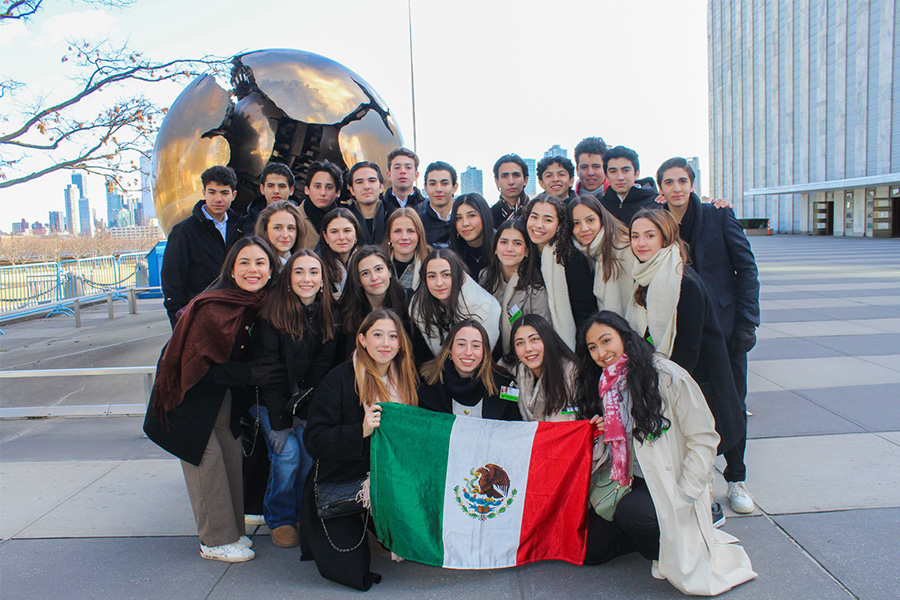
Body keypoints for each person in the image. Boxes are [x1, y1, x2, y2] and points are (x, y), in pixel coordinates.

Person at [575, 311, 756, 595]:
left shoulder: (666, 376)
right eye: (592, 347)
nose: (601, 352)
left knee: (634, 514)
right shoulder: (605, 383)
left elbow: (704, 437)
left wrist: (687, 491)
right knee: (591, 553)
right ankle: (651, 533)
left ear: (625, 336)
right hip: (625, 478)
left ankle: (664, 545)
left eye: (606, 340)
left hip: (669, 480)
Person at [144, 236, 283, 563]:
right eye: (244, 263)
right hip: (187, 396)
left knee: (229, 452)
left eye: (260, 263)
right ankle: (215, 540)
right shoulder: (214, 306)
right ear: (231, 270)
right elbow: (199, 366)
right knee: (205, 460)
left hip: (218, 397)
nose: (253, 269)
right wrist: (250, 374)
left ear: (271, 269)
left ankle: (232, 531)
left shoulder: (252, 302)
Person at [626, 208, 748, 525]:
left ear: (666, 237)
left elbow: (688, 348)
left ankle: (705, 509)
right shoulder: (646, 274)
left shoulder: (684, 281)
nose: (641, 243)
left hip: (696, 382)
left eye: (649, 235)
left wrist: (658, 389)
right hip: (670, 377)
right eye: (635, 236)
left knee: (693, 449)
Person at [657, 157, 760, 514]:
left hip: (726, 328)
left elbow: (746, 268)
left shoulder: (718, 215)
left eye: (682, 181)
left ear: (692, 183)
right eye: (669, 182)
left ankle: (737, 478)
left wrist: (748, 322)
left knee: (733, 402)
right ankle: (701, 479)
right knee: (690, 407)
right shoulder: (658, 222)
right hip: (681, 332)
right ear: (660, 189)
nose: (676, 188)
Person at [302, 309, 418, 591]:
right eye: (377, 335)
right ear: (362, 339)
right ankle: (367, 527)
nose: (385, 343)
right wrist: (360, 430)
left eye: (393, 336)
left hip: (388, 477)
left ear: (401, 344)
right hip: (343, 479)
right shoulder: (339, 379)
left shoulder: (406, 379)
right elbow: (314, 440)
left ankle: (380, 528)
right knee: (350, 571)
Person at [251, 249, 338, 548]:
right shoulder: (272, 317)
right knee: (287, 454)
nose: (307, 279)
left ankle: (301, 512)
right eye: (299, 272)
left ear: (323, 280)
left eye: (314, 272)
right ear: (288, 280)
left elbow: (320, 372)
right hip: (270, 402)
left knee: (307, 452)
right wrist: (280, 421)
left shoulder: (328, 316)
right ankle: (279, 516)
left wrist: (306, 413)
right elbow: (270, 376)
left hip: (305, 401)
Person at [161, 165, 242, 328]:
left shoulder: (242, 227)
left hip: (237, 315)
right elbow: (172, 282)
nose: (218, 199)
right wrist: (179, 322)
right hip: (199, 319)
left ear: (233, 195)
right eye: (212, 192)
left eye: (224, 193)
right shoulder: (183, 232)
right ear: (204, 193)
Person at [522, 194, 597, 348]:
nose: (538, 225)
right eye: (534, 217)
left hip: (572, 346)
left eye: (548, 220)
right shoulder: (526, 254)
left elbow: (585, 314)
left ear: (559, 226)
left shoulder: (572, 260)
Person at [409, 248, 501, 361]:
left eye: (446, 275)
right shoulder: (419, 308)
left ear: (458, 276)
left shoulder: (484, 306)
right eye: (432, 276)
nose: (439, 283)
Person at [418, 319, 521, 421]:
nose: (468, 352)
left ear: (484, 352)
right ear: (449, 348)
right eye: (461, 344)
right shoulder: (427, 382)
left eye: (476, 346)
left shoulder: (503, 383)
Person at [478, 219, 550, 357]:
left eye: (517, 243)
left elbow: (543, 336)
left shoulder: (536, 288)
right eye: (504, 242)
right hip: (487, 354)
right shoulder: (485, 277)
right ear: (495, 247)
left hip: (523, 357)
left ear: (527, 250)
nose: (509, 249)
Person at [339, 246, 411, 359]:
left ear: (390, 271)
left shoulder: (408, 302)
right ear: (358, 281)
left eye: (379, 269)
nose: (374, 277)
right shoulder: (345, 311)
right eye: (365, 273)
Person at [569, 195, 635, 316]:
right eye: (576, 223)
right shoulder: (578, 253)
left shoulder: (624, 247)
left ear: (601, 219)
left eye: (590, 220)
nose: (584, 228)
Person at [507, 314, 577, 421]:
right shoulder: (514, 374)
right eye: (520, 343)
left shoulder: (571, 372)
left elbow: (582, 414)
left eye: (534, 339)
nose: (528, 348)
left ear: (547, 340)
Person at [599, 146, 660, 224]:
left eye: (625, 170)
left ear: (636, 173)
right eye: (613, 171)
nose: (620, 177)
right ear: (606, 176)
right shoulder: (599, 207)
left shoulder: (654, 204)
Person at [241, 163, 301, 235]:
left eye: (282, 186)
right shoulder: (246, 223)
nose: (276, 191)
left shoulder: (301, 221)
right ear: (262, 189)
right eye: (270, 186)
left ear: (291, 190)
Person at [317, 207, 363, 301]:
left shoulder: (367, 262)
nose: (341, 237)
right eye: (334, 232)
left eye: (347, 231)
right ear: (325, 236)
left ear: (356, 234)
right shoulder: (317, 266)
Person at [381, 207, 431, 290]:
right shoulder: (378, 262)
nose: (404, 237)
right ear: (389, 236)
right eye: (397, 231)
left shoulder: (431, 262)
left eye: (410, 231)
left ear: (419, 235)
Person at [449, 193, 495, 281]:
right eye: (458, 218)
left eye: (471, 216)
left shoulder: (501, 247)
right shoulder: (452, 254)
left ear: (484, 216)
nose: (465, 223)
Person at [300, 160, 342, 249]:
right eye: (317, 187)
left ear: (337, 192)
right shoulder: (294, 217)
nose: (323, 193)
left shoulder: (345, 220)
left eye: (329, 187)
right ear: (307, 189)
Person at [416, 161, 457, 248]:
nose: (438, 189)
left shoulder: (465, 220)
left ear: (454, 187)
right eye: (433, 184)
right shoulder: (418, 224)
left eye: (444, 183)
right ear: (426, 188)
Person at [347, 161, 387, 245]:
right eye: (359, 182)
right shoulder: (343, 219)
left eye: (372, 181)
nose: (366, 187)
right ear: (352, 190)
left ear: (381, 187)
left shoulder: (394, 216)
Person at [383, 147, 427, 213]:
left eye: (408, 167)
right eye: (397, 167)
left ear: (416, 175)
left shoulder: (428, 207)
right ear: (389, 175)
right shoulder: (380, 208)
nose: (403, 171)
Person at [490, 153, 530, 224]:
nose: (511, 182)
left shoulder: (536, 212)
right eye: (504, 176)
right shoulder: (489, 216)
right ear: (497, 182)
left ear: (525, 180)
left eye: (516, 175)